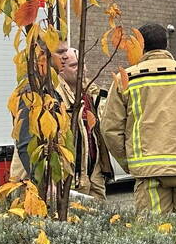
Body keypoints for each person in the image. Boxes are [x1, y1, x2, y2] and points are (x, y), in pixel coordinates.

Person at [101, 23, 176, 215]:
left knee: (153, 235)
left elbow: (110, 129)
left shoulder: (125, 79)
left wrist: (129, 162)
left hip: (149, 171)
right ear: (166, 44)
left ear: (139, 45)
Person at [9, 46, 111, 200]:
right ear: (60, 68)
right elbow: (26, 144)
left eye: (83, 64)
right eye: (74, 65)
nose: (82, 69)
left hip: (91, 178)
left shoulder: (91, 94)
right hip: (64, 179)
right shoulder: (45, 95)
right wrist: (43, 180)